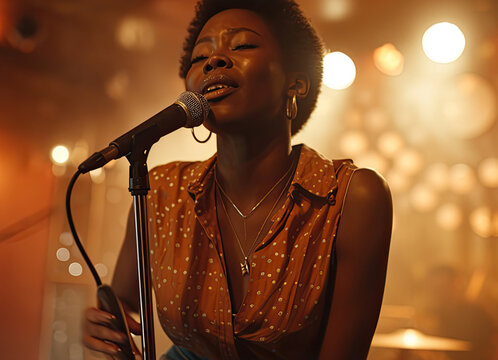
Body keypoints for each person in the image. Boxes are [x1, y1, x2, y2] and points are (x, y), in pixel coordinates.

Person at [83, 1, 393, 358]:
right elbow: (122, 304)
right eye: (201, 57)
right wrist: (101, 328)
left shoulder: (350, 198)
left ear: (296, 83)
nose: (214, 61)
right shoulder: (162, 191)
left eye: (243, 45)